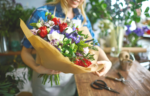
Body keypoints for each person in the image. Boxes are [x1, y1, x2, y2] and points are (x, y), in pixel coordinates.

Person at [21, 0, 112, 96]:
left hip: (69, 83)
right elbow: (25, 52)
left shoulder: (81, 17)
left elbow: (93, 45)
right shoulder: (42, 13)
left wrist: (106, 61)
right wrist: (37, 68)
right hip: (45, 83)